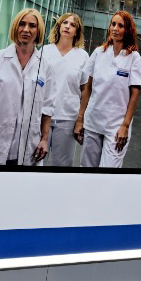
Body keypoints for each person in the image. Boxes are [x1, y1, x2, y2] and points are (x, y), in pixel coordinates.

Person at [0, 8, 52, 167]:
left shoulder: (46, 66)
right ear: (15, 27)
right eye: (22, 24)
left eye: (32, 26)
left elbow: (48, 106)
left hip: (30, 144)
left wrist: (44, 139)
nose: (26, 30)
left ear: (39, 30)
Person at [74, 10, 141, 169]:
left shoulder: (134, 58)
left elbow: (134, 95)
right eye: (113, 24)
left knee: (109, 172)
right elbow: (87, 88)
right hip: (93, 120)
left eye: (120, 25)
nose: (115, 28)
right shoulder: (99, 52)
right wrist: (80, 119)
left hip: (116, 125)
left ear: (128, 30)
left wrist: (125, 126)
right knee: (87, 169)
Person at [42, 12, 89, 167]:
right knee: (34, 161)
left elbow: (85, 90)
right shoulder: (44, 51)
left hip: (67, 117)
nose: (68, 26)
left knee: (61, 165)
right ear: (59, 26)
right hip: (41, 116)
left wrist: (80, 120)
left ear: (77, 31)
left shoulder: (82, 56)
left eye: (72, 25)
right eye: (65, 23)